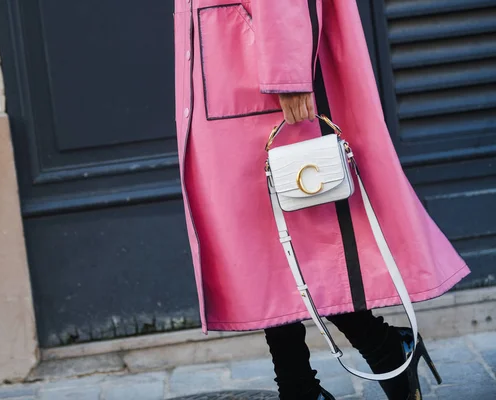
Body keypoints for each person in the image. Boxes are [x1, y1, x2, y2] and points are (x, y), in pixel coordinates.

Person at [173, 1, 470, 399]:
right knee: (262, 249)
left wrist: (289, 74)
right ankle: (317, 377)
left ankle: (350, 363)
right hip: (224, 59)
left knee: (291, 236)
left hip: (258, 67)